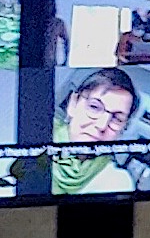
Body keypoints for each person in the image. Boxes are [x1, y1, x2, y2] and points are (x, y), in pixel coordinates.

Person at [50, 67, 140, 195]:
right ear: (73, 104)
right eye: (94, 107)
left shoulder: (118, 184)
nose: (102, 125)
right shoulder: (32, 140)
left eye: (117, 119)